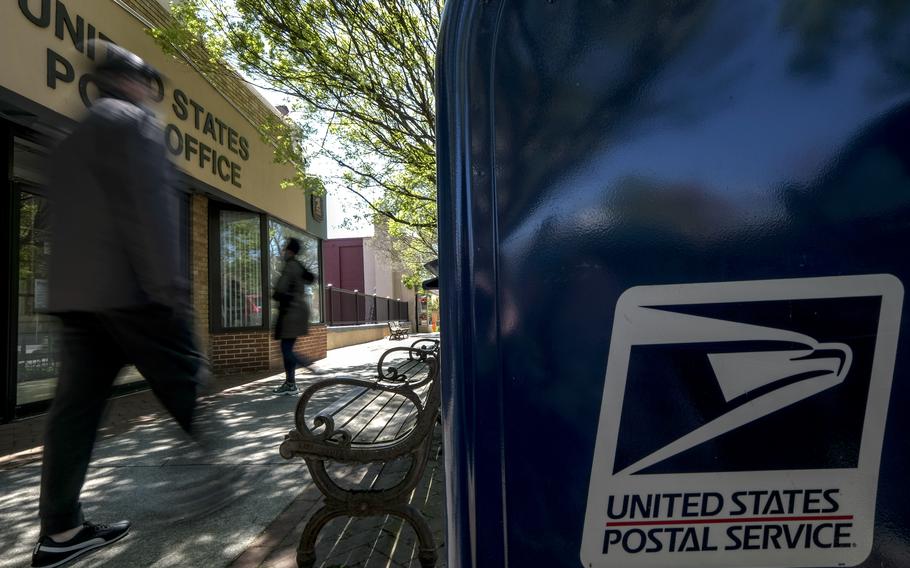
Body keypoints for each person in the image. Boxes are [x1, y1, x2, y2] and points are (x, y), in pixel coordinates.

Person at [30, 44, 209, 568]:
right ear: (131, 83)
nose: (150, 94)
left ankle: (59, 533)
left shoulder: (67, 140)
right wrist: (171, 290)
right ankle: (214, 482)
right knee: (187, 381)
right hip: (133, 295)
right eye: (147, 84)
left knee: (74, 415)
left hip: (77, 302)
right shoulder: (135, 124)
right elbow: (149, 214)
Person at [272, 238, 317, 395]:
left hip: (290, 313)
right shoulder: (298, 266)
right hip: (298, 312)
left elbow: (280, 290)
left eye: (285, 249)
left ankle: (305, 363)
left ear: (290, 251)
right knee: (287, 348)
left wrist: (275, 293)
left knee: (286, 350)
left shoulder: (290, 266)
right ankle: (290, 384)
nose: (283, 251)